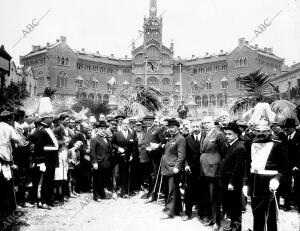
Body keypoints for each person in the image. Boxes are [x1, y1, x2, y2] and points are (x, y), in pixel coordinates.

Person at [243, 120, 288, 231]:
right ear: (253, 131)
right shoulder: (250, 144)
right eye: (258, 131)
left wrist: (277, 179)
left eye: (264, 131)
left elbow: (285, 167)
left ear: (269, 131)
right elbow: (247, 165)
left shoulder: (277, 145)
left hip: (270, 183)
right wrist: (245, 183)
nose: (261, 134)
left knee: (270, 215)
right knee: (256, 213)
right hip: (254, 183)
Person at [200, 116, 227, 230]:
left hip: (214, 170)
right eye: (204, 123)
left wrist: (220, 169)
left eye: (208, 122)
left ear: (213, 123)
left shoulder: (219, 134)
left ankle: (217, 221)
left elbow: (224, 153)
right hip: (204, 169)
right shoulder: (203, 134)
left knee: (214, 196)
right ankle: (210, 217)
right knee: (207, 195)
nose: (206, 124)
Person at [221, 122, 246, 231]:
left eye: (229, 134)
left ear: (236, 134)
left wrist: (231, 182)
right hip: (227, 179)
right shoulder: (230, 145)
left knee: (236, 204)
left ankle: (236, 226)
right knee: (231, 203)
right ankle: (233, 226)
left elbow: (237, 168)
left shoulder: (239, 147)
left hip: (234, 181)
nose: (227, 136)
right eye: (226, 134)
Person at [0, 111, 24, 222]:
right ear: (10, 119)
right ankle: (8, 211)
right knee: (7, 184)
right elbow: (19, 141)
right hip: (4, 157)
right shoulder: (9, 128)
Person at [160, 118, 186, 219]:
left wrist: (177, 167)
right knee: (172, 190)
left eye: (173, 127)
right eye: (169, 127)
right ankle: (177, 209)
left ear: (177, 128)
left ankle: (169, 212)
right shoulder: (171, 137)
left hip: (173, 168)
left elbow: (182, 155)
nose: (170, 129)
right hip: (166, 167)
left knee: (172, 190)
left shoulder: (180, 138)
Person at [182, 121, 205, 221]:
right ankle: (188, 213)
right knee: (189, 191)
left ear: (201, 127)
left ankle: (202, 214)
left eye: (198, 126)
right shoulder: (187, 138)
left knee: (202, 191)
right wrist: (186, 165)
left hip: (203, 168)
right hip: (191, 169)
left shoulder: (205, 137)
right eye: (194, 127)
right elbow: (185, 154)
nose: (196, 128)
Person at [111, 118, 138, 198]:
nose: (126, 125)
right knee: (116, 174)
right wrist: (118, 148)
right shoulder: (116, 134)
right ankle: (115, 191)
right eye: (124, 124)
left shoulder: (132, 134)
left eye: (127, 124)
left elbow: (134, 146)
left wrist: (132, 155)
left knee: (125, 175)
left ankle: (124, 192)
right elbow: (112, 144)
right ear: (121, 124)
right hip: (118, 157)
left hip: (127, 158)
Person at [90, 121, 113, 201]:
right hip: (99, 163)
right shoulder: (95, 139)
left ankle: (102, 194)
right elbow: (92, 152)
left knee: (103, 179)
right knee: (97, 180)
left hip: (106, 163)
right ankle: (96, 196)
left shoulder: (106, 138)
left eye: (104, 129)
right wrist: (94, 162)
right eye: (101, 129)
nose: (103, 130)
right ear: (97, 129)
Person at [284, 118, 300, 212]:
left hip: (296, 166)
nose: (287, 129)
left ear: (293, 128)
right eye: (286, 128)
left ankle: (298, 205)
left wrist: (297, 165)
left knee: (298, 186)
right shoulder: (286, 137)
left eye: (289, 128)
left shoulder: (298, 136)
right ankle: (287, 205)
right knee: (287, 185)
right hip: (287, 166)